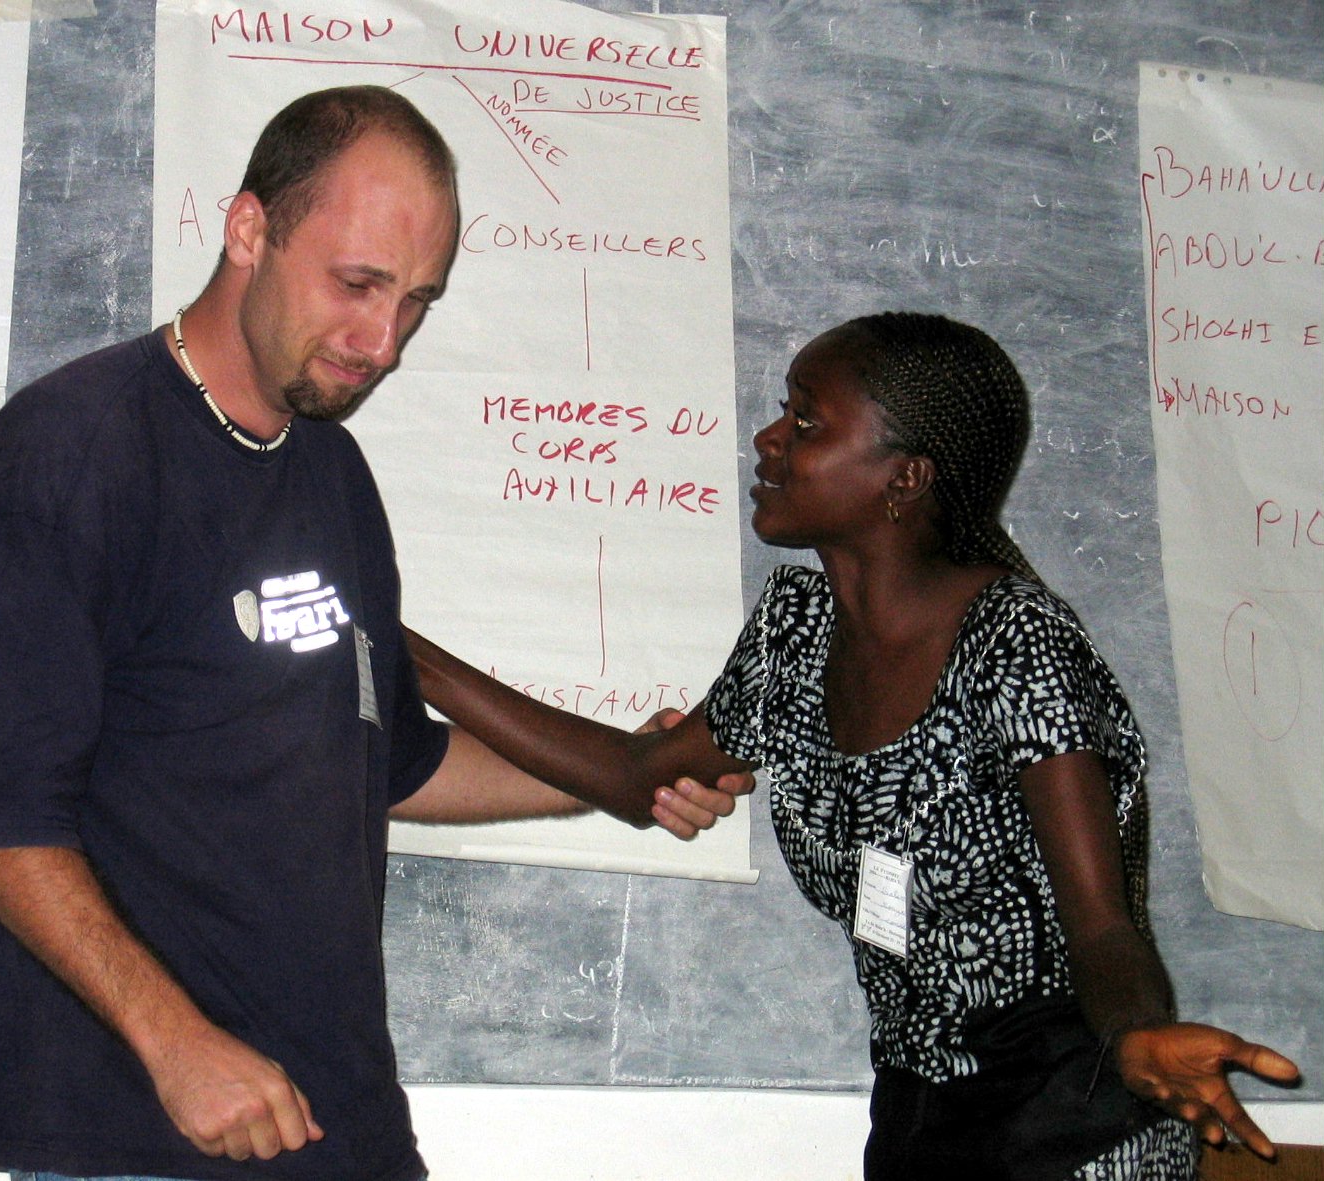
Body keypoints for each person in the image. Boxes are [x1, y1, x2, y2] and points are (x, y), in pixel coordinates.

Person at [0, 85, 748, 1181]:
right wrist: (177, 1043)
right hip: (136, 1123)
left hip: (331, 1114)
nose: (381, 341)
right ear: (250, 228)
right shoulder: (74, 452)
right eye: (357, 284)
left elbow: (393, 761)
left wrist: (615, 773)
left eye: (415, 301)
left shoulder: (331, 473)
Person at [406, 312, 1302, 1180]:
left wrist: (1138, 1029)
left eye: (803, 419)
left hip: (1063, 1129)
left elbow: (1102, 923)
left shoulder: (1013, 642)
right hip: (915, 1120)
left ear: (903, 479)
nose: (766, 438)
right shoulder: (795, 632)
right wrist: (409, 656)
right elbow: (640, 777)